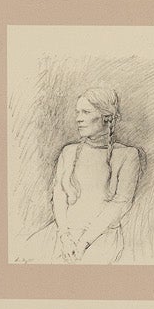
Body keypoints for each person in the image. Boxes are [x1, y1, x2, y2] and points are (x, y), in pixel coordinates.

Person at [32, 89, 141, 263]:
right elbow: (59, 196)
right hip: (63, 236)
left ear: (106, 117)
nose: (78, 118)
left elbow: (121, 203)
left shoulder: (128, 155)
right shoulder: (68, 152)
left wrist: (83, 242)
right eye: (77, 112)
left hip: (101, 238)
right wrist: (65, 237)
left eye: (86, 112)